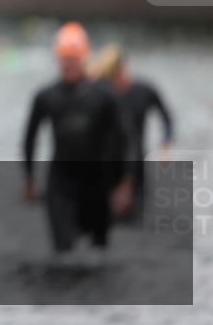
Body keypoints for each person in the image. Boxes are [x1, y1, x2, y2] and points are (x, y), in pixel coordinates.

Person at [22, 22, 134, 259]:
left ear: (85, 57)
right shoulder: (46, 96)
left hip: (97, 183)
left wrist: (125, 182)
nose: (69, 63)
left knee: (97, 256)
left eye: (74, 57)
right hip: (61, 182)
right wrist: (29, 179)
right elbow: (29, 138)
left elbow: (125, 139)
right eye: (64, 57)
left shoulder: (104, 96)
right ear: (56, 59)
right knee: (64, 254)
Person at [91, 42, 174, 222]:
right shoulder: (103, 93)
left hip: (135, 160)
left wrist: (166, 145)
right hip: (108, 161)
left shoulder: (144, 91)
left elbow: (166, 117)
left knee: (135, 217)